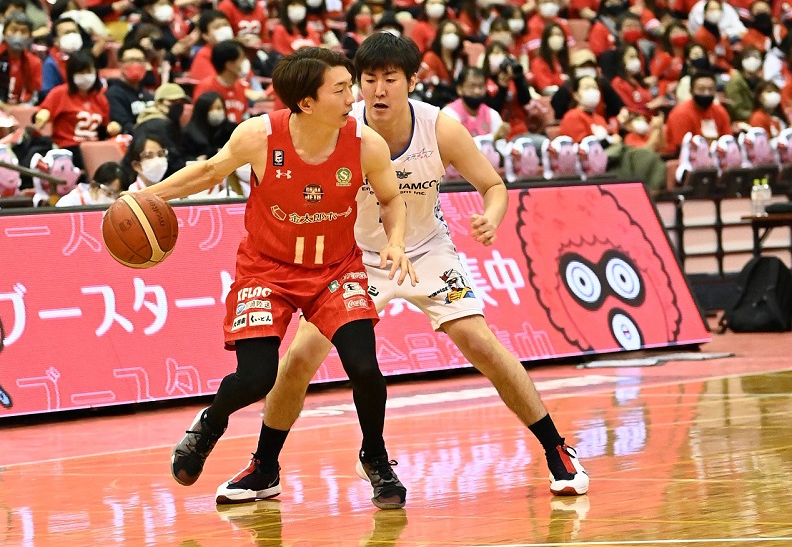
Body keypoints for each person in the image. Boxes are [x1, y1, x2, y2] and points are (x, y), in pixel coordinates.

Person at [213, 33, 589, 506]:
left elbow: (493, 185)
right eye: (368, 79)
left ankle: (557, 449)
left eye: (390, 79)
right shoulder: (337, 125)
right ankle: (265, 467)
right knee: (299, 359)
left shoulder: (441, 128)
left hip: (426, 250)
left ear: (412, 81)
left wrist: (490, 218)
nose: (378, 90)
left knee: (481, 344)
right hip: (353, 259)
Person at [146, 46, 417, 510]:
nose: (352, 97)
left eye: (350, 86)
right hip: (266, 270)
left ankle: (375, 457)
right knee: (256, 377)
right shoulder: (259, 135)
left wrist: (395, 241)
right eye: (341, 89)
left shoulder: (365, 143)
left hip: (335, 270)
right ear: (306, 102)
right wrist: (147, 197)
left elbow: (392, 199)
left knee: (365, 368)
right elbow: (208, 171)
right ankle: (210, 424)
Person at [34, 51, 121, 164]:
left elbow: (104, 130)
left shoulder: (100, 99)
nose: (85, 76)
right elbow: (41, 114)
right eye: (80, 72)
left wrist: (113, 128)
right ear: (72, 74)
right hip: (67, 149)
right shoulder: (59, 93)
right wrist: (43, 113)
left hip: (93, 150)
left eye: (89, 72)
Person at [56, 161, 123, 206]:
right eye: (109, 194)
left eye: (118, 196)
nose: (114, 200)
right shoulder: (69, 203)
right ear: (94, 186)